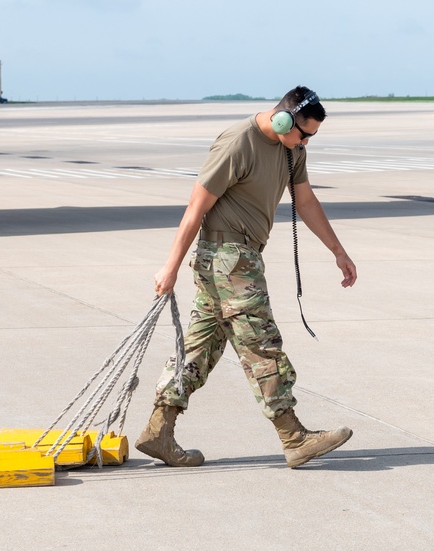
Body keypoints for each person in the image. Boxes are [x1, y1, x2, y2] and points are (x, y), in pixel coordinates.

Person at [136, 86, 358, 469]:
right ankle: (294, 437)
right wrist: (170, 266)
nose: (306, 142)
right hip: (228, 258)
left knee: (199, 348)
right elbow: (195, 207)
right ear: (283, 119)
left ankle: (159, 431)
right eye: (304, 134)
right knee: (261, 344)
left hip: (240, 257)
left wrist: (337, 251)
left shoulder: (293, 150)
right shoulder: (238, 143)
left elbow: (305, 200)